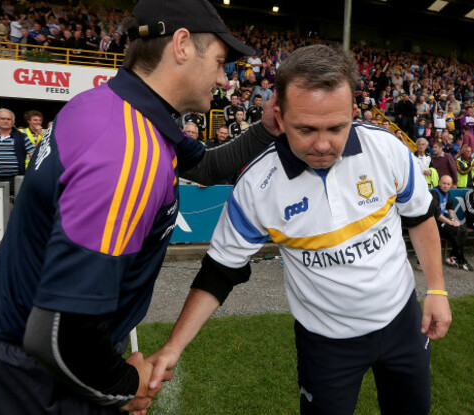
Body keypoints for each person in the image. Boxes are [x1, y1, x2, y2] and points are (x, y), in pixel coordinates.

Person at [0, 0, 282, 413]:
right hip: (30, 373)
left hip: (2, 326)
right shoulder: (126, 152)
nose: (223, 78)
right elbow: (59, 334)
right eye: (219, 61)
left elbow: (207, 165)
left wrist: (266, 128)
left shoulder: (112, 105)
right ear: (181, 45)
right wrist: (128, 386)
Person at [143, 44, 451, 415]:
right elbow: (219, 272)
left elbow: (419, 216)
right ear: (280, 115)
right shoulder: (258, 186)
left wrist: (436, 288)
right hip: (326, 344)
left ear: (353, 113)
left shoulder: (386, 149)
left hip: (403, 323)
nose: (323, 145)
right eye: (305, 129)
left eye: (337, 127)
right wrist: (173, 347)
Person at [431, 174, 472, 271]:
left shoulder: (447, 193)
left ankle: (454, 256)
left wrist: (452, 218)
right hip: (433, 223)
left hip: (442, 221)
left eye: (448, 184)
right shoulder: (434, 193)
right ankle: (460, 259)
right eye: (444, 183)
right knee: (456, 230)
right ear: (439, 183)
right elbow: (437, 215)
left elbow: (450, 206)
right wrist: (450, 222)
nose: (446, 186)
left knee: (463, 230)